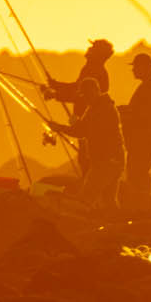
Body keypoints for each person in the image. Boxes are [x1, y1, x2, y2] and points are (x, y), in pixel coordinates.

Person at [54, 77, 123, 213]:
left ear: (95, 91)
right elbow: (81, 131)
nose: (85, 98)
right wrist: (60, 127)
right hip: (110, 160)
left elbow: (88, 130)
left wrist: (71, 125)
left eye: (86, 94)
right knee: (108, 200)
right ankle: (117, 227)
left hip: (107, 161)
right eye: (83, 95)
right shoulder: (94, 108)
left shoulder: (104, 108)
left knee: (86, 198)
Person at [120, 52, 151, 211]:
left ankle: (144, 208)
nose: (133, 70)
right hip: (141, 141)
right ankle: (143, 207)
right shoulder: (148, 87)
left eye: (136, 67)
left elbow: (142, 116)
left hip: (144, 142)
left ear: (146, 67)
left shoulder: (150, 88)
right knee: (137, 174)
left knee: (137, 175)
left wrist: (123, 113)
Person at [43, 39, 114, 118]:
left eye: (92, 48)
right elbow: (77, 88)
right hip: (85, 119)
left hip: (88, 120)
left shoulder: (94, 71)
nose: (89, 48)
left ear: (97, 53)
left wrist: (54, 94)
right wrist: (55, 86)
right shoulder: (93, 69)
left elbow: (80, 94)